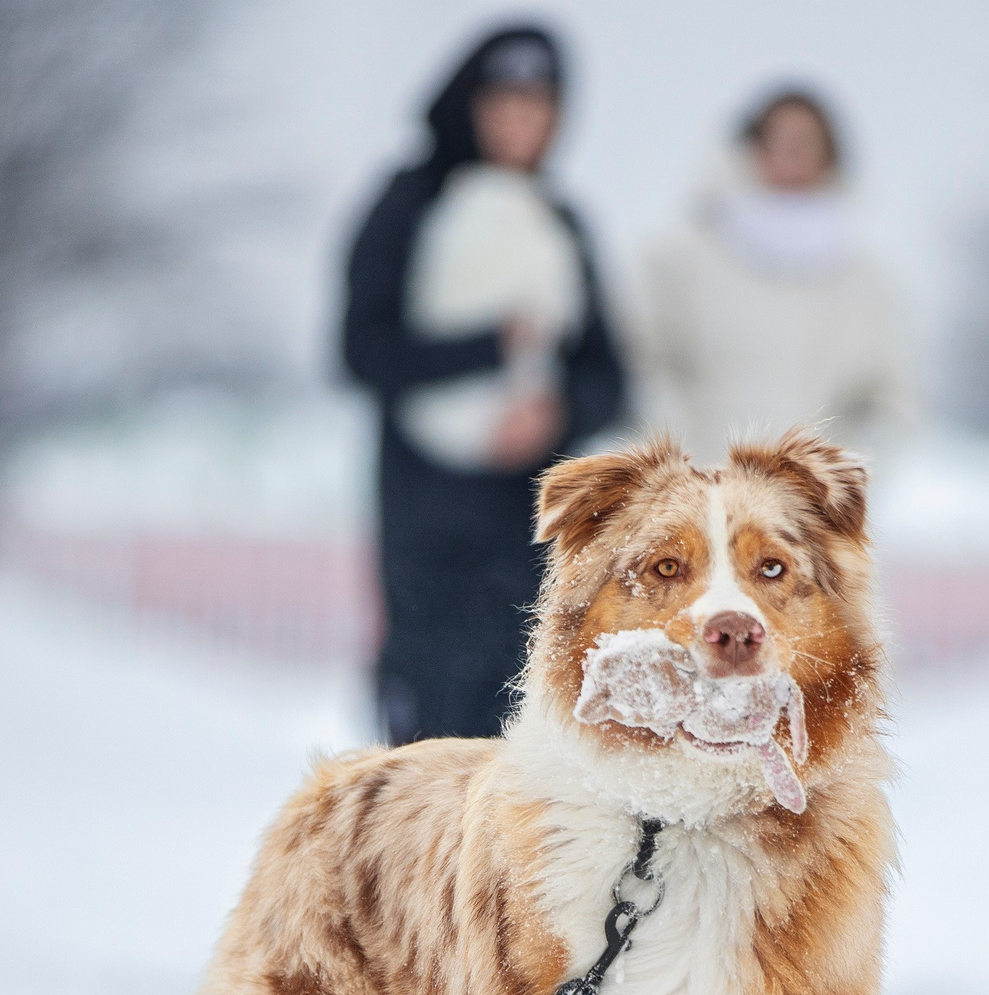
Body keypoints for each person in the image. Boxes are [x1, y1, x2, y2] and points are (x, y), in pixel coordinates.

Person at [342, 25, 627, 745]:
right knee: (427, 743)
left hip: (528, 520)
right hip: (426, 518)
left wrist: (555, 416)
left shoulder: (560, 222)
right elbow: (361, 351)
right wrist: (490, 346)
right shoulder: (409, 203)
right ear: (468, 104)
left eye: (539, 105)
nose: (521, 121)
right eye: (505, 101)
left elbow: (609, 376)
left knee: (523, 739)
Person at [634, 87, 914, 466]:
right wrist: (683, 469)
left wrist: (841, 484)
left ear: (830, 157)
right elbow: (646, 368)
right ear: (749, 148)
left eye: (805, 141)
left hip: (812, 512)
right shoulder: (680, 259)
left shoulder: (864, 282)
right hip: (699, 496)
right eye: (776, 139)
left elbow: (888, 403)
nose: (790, 153)